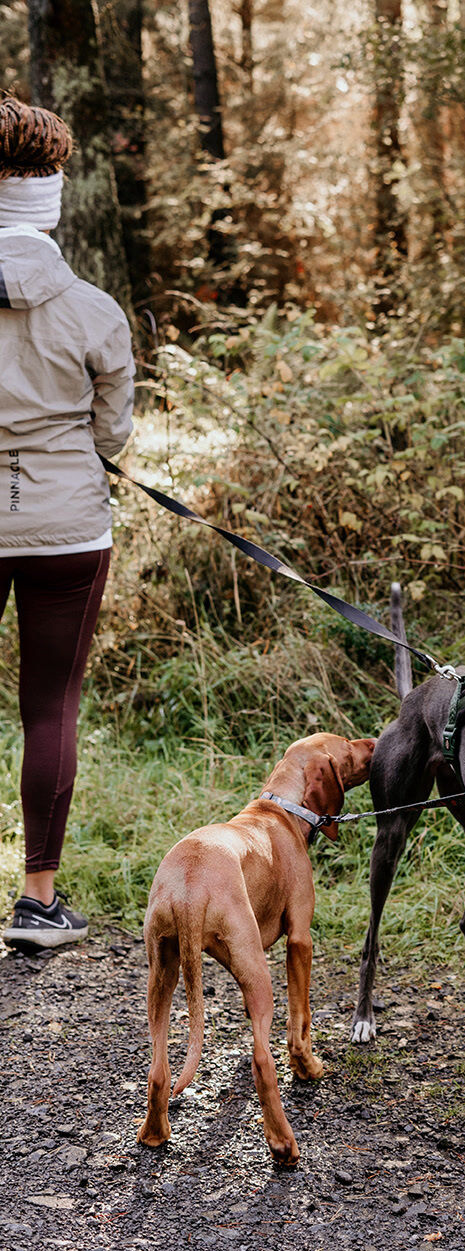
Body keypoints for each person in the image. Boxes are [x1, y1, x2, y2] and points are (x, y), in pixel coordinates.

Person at [0, 96, 135, 949]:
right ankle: (38, 904)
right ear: (51, 196)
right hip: (66, 528)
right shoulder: (93, 310)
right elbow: (111, 431)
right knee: (51, 707)